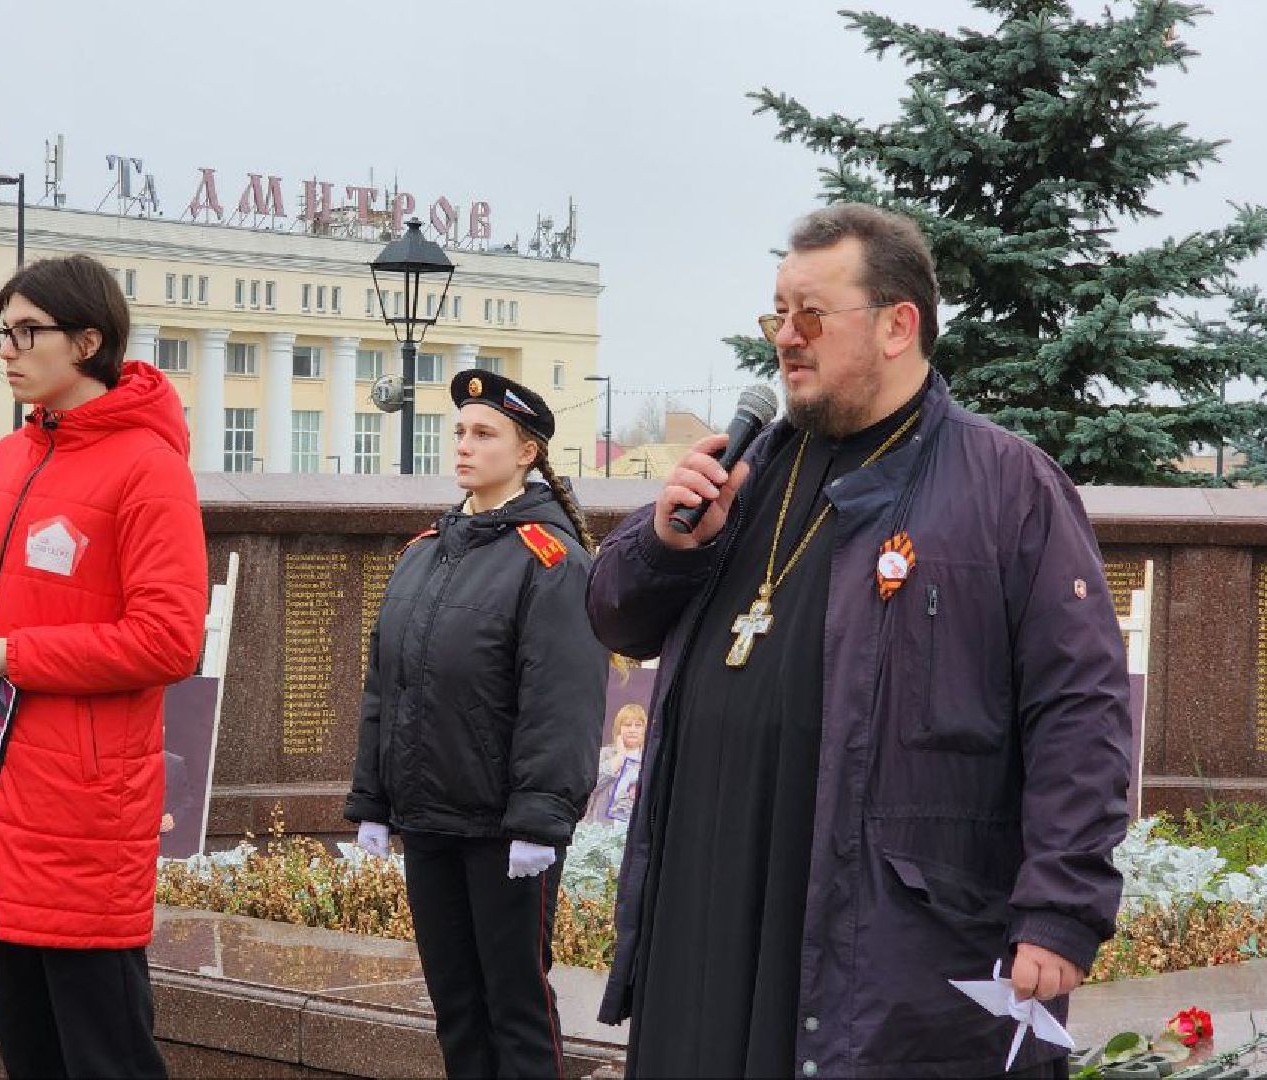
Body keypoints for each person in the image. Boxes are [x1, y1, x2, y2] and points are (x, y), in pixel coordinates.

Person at [587, 204, 1131, 1079]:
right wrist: (662, 544)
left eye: (811, 313)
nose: (785, 339)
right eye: (776, 313)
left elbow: (1081, 709)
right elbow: (615, 616)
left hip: (878, 929)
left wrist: (1061, 909)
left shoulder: (1004, 487)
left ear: (896, 325)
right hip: (706, 904)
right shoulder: (747, 467)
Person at [0, 254, 208, 1079]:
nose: (7, 350)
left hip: (86, 810)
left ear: (88, 341)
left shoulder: (147, 467)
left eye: (26, 332)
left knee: (106, 1055)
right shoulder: (14, 456)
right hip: (4, 793)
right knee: (31, 1053)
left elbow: (167, 639)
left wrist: (15, 656)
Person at [345, 368, 609, 1080]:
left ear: (526, 452)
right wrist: (373, 802)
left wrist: (538, 820)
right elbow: (385, 684)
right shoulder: (425, 551)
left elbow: (560, 701)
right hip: (429, 821)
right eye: (459, 429)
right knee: (456, 1005)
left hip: (502, 831)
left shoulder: (550, 562)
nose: (463, 444)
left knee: (515, 1010)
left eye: (484, 433)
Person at [587, 704, 650, 823]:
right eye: (627, 725)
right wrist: (620, 756)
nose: (632, 730)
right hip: (601, 825)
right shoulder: (605, 754)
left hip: (632, 824)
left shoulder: (649, 759)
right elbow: (592, 785)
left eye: (638, 725)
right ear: (618, 728)